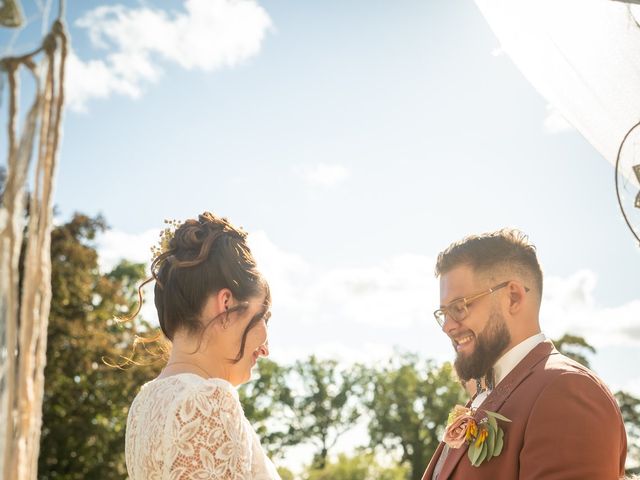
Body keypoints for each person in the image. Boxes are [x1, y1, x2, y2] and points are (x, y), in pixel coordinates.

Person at [423, 229, 627, 480]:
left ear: (513, 297)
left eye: (459, 307)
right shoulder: (485, 394)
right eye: (443, 313)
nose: (447, 326)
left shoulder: (567, 391)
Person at [125, 212, 281, 480]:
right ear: (227, 304)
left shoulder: (143, 406)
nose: (266, 348)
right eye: (263, 316)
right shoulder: (208, 402)